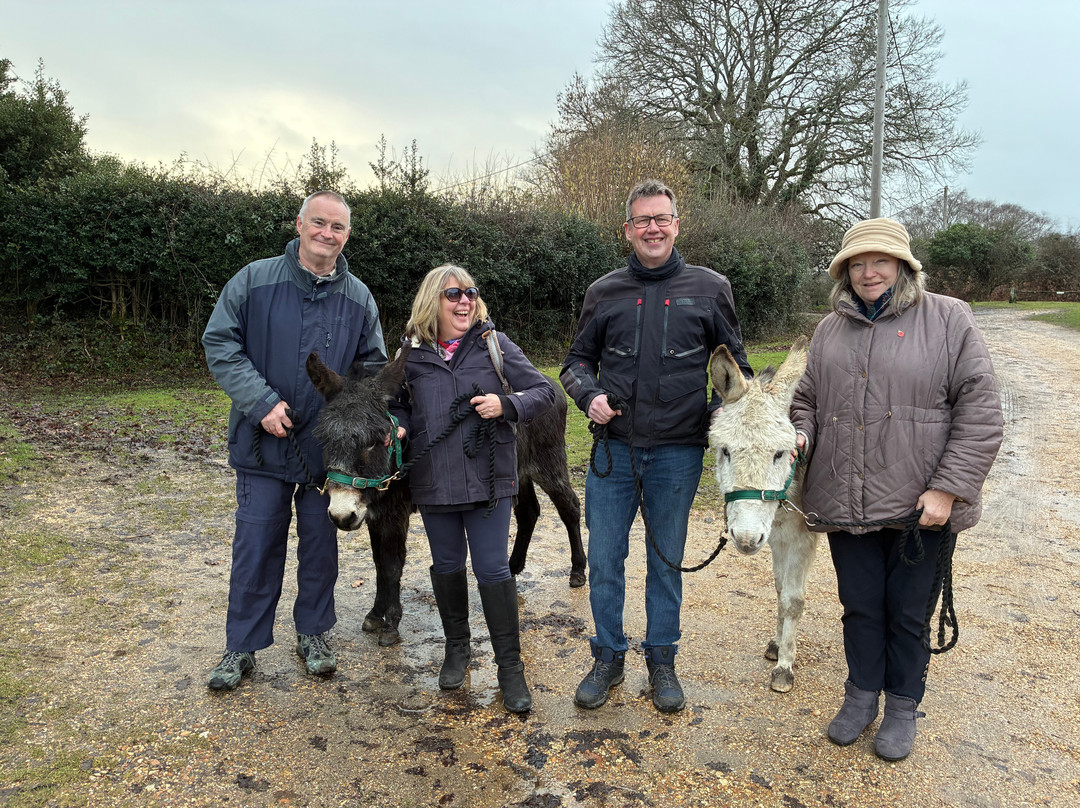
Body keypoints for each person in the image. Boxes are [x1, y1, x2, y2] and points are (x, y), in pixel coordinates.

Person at [790, 217, 1003, 760]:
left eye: (880, 261)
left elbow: (980, 411)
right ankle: (861, 696)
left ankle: (902, 706)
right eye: (856, 264)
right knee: (860, 606)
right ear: (844, 272)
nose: (868, 272)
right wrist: (799, 436)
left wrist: (949, 490)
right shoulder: (829, 329)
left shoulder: (949, 319)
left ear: (904, 266)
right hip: (843, 497)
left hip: (919, 507)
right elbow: (807, 401)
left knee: (908, 611)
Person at [560, 179, 752, 713]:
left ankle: (662, 661)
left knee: (665, 561)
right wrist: (589, 396)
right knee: (603, 559)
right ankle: (608, 656)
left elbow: (738, 371)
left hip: (677, 453)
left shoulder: (711, 288)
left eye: (661, 218)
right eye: (642, 220)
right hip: (613, 452)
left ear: (676, 223)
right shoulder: (603, 292)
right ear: (627, 229)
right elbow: (574, 364)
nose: (652, 228)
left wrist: (720, 412)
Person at [201, 190, 388, 691]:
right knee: (256, 546)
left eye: (338, 228)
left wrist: (373, 421)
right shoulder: (254, 280)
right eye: (319, 223)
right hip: (262, 444)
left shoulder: (359, 298)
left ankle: (313, 634)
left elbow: (372, 370)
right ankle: (241, 645)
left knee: (321, 547)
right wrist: (259, 402)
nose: (328, 234)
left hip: (327, 456)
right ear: (300, 223)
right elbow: (220, 342)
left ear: (347, 236)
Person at [389, 264, 555, 713]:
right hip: (434, 480)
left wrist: (507, 403)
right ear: (432, 302)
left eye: (470, 293)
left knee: (493, 570)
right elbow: (398, 405)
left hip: (488, 481)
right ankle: (457, 650)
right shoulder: (412, 353)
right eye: (453, 295)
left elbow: (545, 391)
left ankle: (510, 668)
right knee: (446, 565)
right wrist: (399, 428)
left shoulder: (493, 344)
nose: (464, 301)